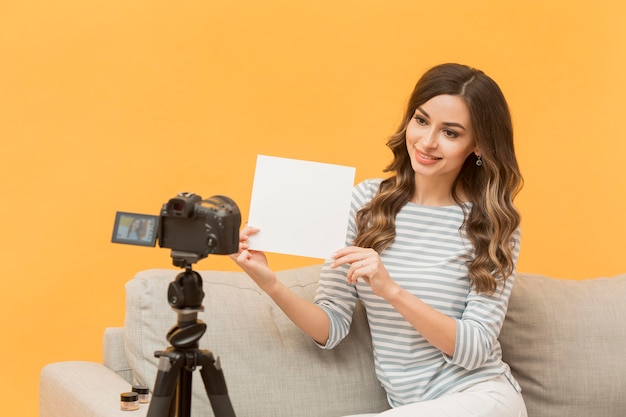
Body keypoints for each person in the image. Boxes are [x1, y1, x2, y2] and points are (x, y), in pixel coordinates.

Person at [231, 63, 527, 417]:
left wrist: (391, 290)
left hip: (481, 399)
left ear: (477, 145)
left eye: (450, 133)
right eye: (421, 120)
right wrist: (268, 281)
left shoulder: (494, 224)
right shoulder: (365, 203)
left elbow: (476, 347)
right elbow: (332, 327)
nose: (427, 142)